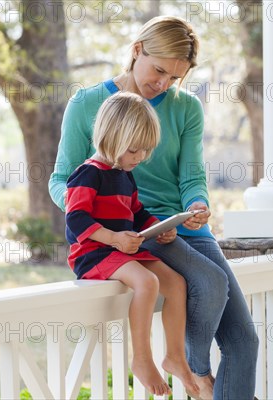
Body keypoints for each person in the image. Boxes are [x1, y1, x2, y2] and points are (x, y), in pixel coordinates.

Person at [49, 16, 258, 400]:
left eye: (174, 77)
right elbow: (60, 180)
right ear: (136, 51)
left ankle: (192, 368)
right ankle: (196, 373)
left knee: (245, 340)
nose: (162, 84)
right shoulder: (88, 103)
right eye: (158, 69)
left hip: (182, 228)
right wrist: (96, 216)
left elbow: (192, 177)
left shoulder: (186, 108)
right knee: (204, 282)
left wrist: (197, 204)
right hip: (133, 234)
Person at [65, 92, 199, 397]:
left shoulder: (125, 175)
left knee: (177, 283)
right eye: (134, 149)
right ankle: (141, 359)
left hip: (123, 250)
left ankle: (175, 356)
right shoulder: (87, 174)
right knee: (148, 283)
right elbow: (75, 220)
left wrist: (159, 229)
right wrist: (113, 238)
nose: (139, 158)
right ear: (111, 137)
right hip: (94, 253)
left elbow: (136, 214)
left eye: (145, 151)